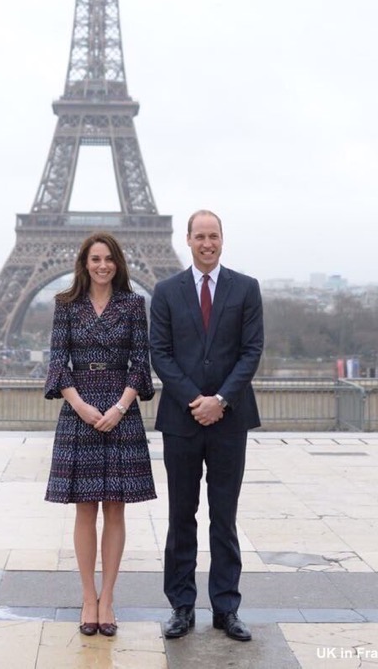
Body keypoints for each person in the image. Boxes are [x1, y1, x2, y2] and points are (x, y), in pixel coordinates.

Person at [149, 210, 263, 643]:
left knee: (224, 517)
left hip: (229, 419)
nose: (207, 243)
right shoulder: (165, 291)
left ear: (222, 240)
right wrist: (196, 400)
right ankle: (181, 606)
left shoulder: (246, 289)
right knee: (182, 516)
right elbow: (160, 353)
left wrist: (221, 400)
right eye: (200, 236)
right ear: (188, 240)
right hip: (182, 419)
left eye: (213, 236)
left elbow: (251, 352)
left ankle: (226, 607)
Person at [44, 232, 156, 638]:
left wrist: (120, 407)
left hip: (120, 408)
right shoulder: (66, 306)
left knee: (115, 507)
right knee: (85, 509)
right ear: (84, 263)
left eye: (109, 258)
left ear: (118, 262)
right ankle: (87, 596)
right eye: (95, 258)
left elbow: (140, 364)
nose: (102, 265)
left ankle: (107, 597)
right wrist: (81, 405)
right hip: (81, 408)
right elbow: (58, 361)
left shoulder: (133, 304)